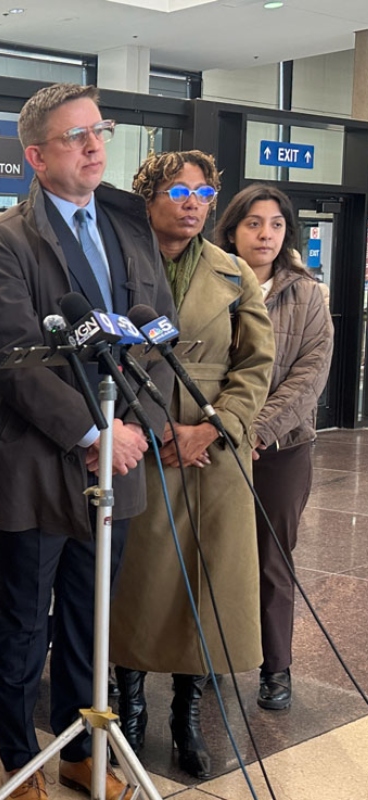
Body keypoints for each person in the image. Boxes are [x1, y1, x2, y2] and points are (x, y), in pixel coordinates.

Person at [0, 83, 174, 800]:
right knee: (26, 621)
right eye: (74, 136)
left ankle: (84, 752)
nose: (93, 147)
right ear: (35, 157)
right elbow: (12, 358)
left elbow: (159, 336)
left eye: (99, 131)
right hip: (37, 463)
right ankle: (20, 758)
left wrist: (133, 429)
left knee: (92, 618)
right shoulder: (2, 240)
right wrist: (94, 432)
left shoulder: (128, 227)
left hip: (120, 460)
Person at [111, 151, 274, 779]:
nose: (193, 204)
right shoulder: (117, 264)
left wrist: (215, 426)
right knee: (136, 583)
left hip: (214, 454)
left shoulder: (235, 273)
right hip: (140, 440)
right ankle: (130, 706)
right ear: (148, 197)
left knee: (203, 587)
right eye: (178, 191)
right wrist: (151, 425)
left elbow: (256, 365)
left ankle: (187, 714)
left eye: (204, 194)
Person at [214, 184, 332, 712]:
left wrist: (256, 430)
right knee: (211, 553)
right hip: (215, 442)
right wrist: (226, 429)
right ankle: (208, 658)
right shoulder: (211, 282)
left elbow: (310, 375)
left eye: (277, 224)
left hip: (281, 449)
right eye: (254, 223)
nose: (266, 234)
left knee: (271, 560)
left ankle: (275, 667)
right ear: (233, 230)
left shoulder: (308, 293)